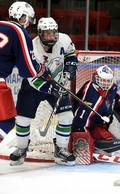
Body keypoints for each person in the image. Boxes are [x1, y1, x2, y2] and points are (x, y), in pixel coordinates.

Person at [9, 17, 78, 166]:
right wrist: (51, 88)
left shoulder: (64, 40)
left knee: (66, 116)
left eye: (53, 33)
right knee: (22, 119)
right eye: (46, 34)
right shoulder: (32, 47)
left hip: (59, 85)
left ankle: (61, 150)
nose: (50, 36)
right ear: (40, 33)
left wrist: (70, 67)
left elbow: (70, 54)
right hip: (32, 88)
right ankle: (21, 149)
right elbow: (31, 75)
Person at [71, 65, 120, 163]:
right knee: (104, 139)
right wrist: (84, 139)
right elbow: (80, 121)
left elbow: (115, 100)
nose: (105, 83)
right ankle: (97, 148)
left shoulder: (112, 87)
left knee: (112, 135)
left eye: (108, 80)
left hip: (102, 122)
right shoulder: (91, 94)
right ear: (95, 79)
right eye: (102, 80)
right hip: (88, 126)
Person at [0, 2, 50, 143]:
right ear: (20, 16)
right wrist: (40, 69)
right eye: (28, 18)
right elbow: (28, 69)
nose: (28, 23)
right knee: (6, 123)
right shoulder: (18, 31)